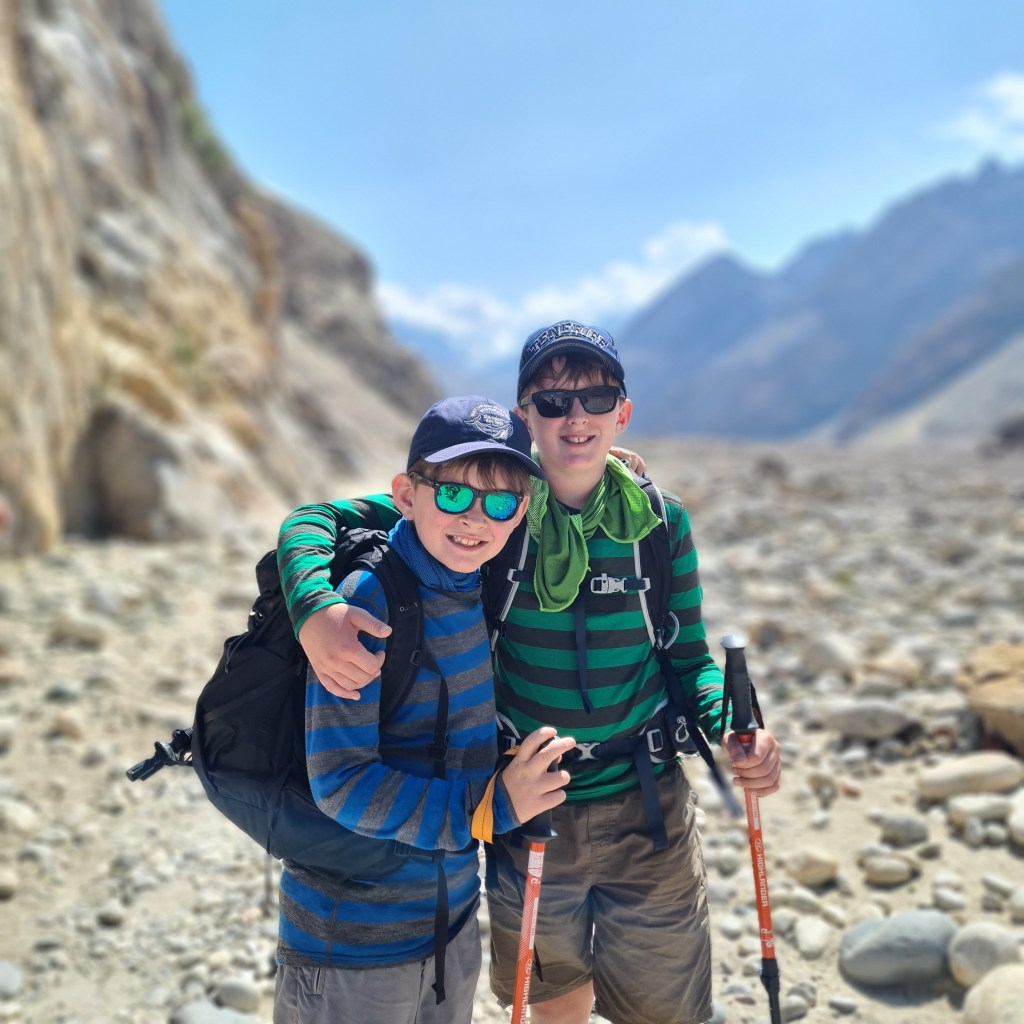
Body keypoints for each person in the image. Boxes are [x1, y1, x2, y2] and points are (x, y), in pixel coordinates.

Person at [277, 322, 782, 1024]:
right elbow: (316, 519)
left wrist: (732, 727)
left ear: (622, 413)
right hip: (529, 813)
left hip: (648, 808)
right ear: (525, 416)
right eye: (552, 403)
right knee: (554, 1002)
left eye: (596, 398)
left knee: (667, 1009)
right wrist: (313, 606)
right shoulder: (495, 511)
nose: (575, 417)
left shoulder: (658, 525)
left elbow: (687, 660)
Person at [273, 395, 575, 1024]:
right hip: (351, 949)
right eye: (454, 495)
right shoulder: (368, 602)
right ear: (407, 496)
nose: (475, 519)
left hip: (447, 928)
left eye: (499, 503)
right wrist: (488, 807)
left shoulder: (475, 582)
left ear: (521, 511)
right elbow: (340, 781)